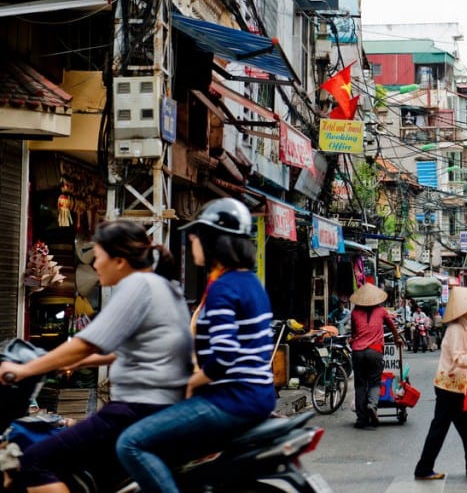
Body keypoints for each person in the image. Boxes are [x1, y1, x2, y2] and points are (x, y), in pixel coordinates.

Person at [0, 220, 193, 492]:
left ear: (119, 260)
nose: (94, 266)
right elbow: (128, 350)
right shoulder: (164, 286)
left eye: (98, 257)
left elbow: (86, 342)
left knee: (33, 461)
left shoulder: (137, 285)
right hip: (158, 407)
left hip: (135, 409)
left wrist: (24, 370)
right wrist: (74, 363)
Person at [115, 198, 277, 493]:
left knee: (131, 443)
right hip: (257, 395)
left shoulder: (223, 289)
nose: (191, 242)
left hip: (231, 399)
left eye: (197, 236)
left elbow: (225, 355)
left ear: (213, 242)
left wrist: (194, 381)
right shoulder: (250, 283)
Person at [413, 286, 467, 480]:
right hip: (448, 385)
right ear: (466, 308)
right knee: (440, 427)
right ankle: (423, 469)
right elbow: (460, 359)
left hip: (458, 384)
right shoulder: (456, 330)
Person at [347, 283, 403, 428]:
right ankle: (372, 406)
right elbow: (392, 325)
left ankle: (361, 419)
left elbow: (353, 332)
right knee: (374, 382)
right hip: (374, 351)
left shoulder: (354, 312)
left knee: (360, 385)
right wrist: (397, 338)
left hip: (358, 351)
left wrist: (354, 338)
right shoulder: (382, 311)